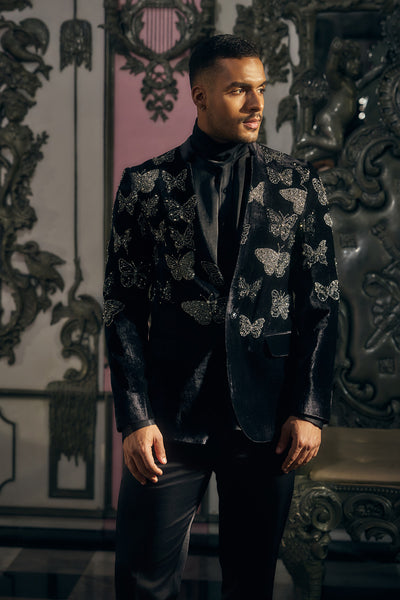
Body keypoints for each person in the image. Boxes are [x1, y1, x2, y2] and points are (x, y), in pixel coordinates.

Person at [104, 34, 339, 600]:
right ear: (200, 95)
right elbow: (122, 308)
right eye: (239, 90)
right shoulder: (145, 185)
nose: (257, 103)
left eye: (260, 89)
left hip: (267, 420)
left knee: (251, 584)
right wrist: (135, 417)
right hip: (169, 419)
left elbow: (321, 304)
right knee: (142, 582)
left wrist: (308, 408)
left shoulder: (298, 185)